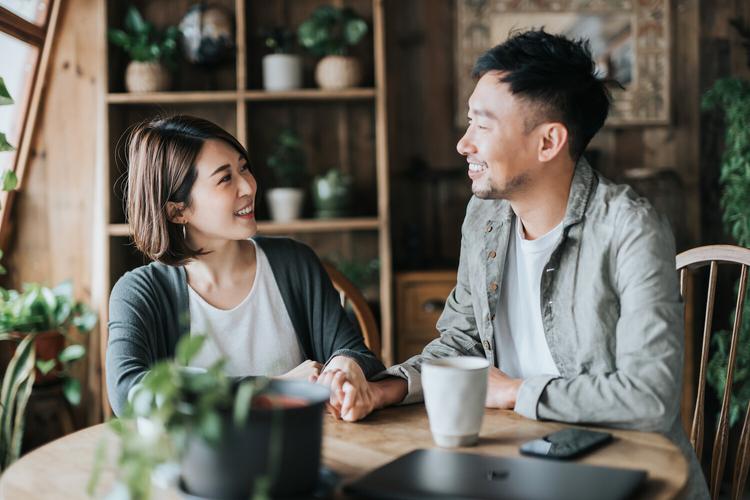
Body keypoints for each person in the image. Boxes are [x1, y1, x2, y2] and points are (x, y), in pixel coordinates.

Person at [316, 30, 709, 498]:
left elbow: (650, 397)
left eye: (482, 126)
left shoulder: (630, 228)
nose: (464, 144)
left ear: (549, 142)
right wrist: (384, 390)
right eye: (468, 123)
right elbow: (459, 345)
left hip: (627, 474)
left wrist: (514, 392)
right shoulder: (484, 217)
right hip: (513, 465)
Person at [106, 115, 383, 417]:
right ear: (177, 211)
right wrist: (272, 389)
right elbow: (129, 393)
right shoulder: (139, 293)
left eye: (243, 168)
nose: (248, 186)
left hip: (303, 449)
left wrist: (346, 366)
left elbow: (357, 354)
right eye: (225, 179)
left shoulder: (294, 262)